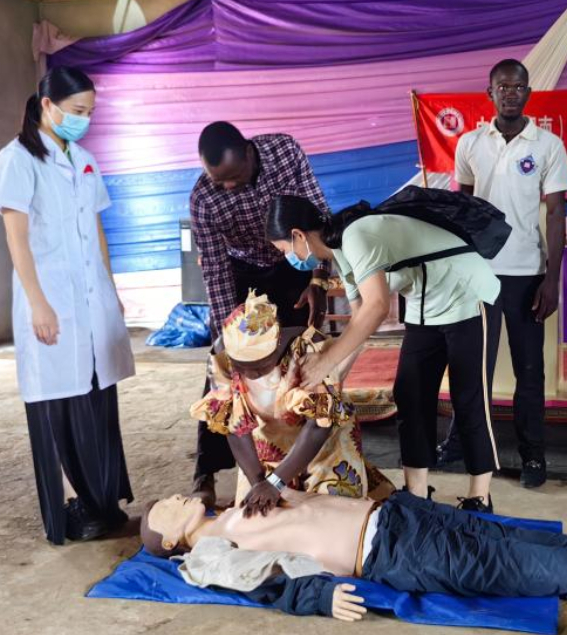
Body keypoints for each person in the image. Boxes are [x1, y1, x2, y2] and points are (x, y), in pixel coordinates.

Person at [265, 195, 503, 512]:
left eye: (284, 250)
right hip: (424, 306)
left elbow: (377, 307)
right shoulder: (341, 252)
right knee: (410, 393)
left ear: (297, 235)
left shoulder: (357, 236)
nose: (288, 259)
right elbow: (359, 320)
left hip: (468, 295)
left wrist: (325, 361)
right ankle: (417, 493)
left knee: (468, 396)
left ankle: (479, 497)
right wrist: (331, 379)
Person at [0, 67, 134, 544]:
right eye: (76, 111)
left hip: (90, 300)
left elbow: (96, 231)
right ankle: (76, 506)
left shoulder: (85, 159)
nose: (84, 120)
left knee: (97, 396)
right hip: (51, 297)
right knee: (61, 403)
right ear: (47, 105)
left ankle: (104, 503)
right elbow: (17, 239)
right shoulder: (17, 161)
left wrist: (110, 292)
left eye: (90, 112)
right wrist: (38, 304)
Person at [139, 489, 567, 620]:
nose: (173, 499)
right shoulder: (205, 553)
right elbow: (258, 580)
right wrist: (318, 598)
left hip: (395, 515)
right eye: (163, 509)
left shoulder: (233, 505)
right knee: (505, 565)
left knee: (508, 541)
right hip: (388, 550)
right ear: (166, 542)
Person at [437, 59, 567, 490]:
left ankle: (533, 454)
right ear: (489, 93)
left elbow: (554, 215)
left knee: (530, 372)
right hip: (479, 275)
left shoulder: (548, 146)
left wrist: (551, 278)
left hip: (527, 275)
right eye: (502, 86)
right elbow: (462, 210)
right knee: (472, 366)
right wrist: (457, 266)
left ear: (528, 93)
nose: (510, 93)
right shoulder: (470, 144)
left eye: (518, 86)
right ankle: (461, 441)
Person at [189, 122, 331, 508]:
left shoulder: (284, 152)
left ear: (249, 155)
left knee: (302, 361)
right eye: (219, 181)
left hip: (292, 265)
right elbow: (215, 270)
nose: (228, 187)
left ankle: (304, 465)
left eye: (234, 178)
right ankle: (207, 472)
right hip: (244, 276)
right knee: (223, 373)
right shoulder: (203, 199)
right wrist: (226, 337)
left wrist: (318, 280)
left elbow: (316, 213)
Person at [189, 291, 394, 516]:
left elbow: (318, 426)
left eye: (260, 366)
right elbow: (234, 424)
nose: (250, 374)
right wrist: (259, 482)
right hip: (266, 444)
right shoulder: (222, 356)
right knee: (254, 517)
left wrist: (276, 482)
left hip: (326, 443)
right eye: (242, 366)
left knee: (330, 517)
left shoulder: (308, 348)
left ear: (276, 345)